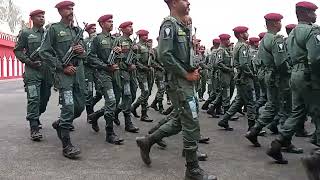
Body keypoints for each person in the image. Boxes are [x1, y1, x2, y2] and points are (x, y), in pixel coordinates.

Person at [136, 0, 217, 179]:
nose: (189, 2)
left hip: (186, 81)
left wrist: (192, 70)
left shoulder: (181, 26)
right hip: (179, 82)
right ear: (173, 2)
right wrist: (186, 74)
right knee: (191, 121)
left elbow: (183, 55)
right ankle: (192, 170)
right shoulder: (168, 25)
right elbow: (165, 55)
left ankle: (148, 141)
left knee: (182, 120)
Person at [267, 1, 318, 165]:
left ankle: (278, 143)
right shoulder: (312, 30)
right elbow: (315, 58)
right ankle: (316, 157)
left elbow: (287, 58)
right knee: (318, 111)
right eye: (313, 12)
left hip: (295, 75)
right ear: (304, 13)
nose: (315, 15)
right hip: (309, 76)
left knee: (297, 112)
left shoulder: (292, 34)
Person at [39, 0, 85, 159]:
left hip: (77, 73)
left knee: (79, 107)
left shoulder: (78, 31)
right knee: (69, 106)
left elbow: (85, 54)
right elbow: (44, 52)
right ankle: (66, 145)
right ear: (60, 12)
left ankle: (60, 124)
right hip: (63, 74)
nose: (71, 11)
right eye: (68, 8)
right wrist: (61, 67)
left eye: (72, 8)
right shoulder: (54, 29)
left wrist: (81, 50)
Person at [14, 9, 52, 141]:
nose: (42, 18)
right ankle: (34, 126)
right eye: (39, 17)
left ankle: (36, 115)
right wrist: (29, 61)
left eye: (43, 16)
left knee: (45, 98)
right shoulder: (26, 33)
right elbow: (17, 50)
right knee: (34, 98)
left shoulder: (49, 34)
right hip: (32, 71)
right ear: (32, 19)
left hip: (47, 71)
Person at [218, 26, 257, 131]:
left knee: (239, 101)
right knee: (250, 102)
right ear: (241, 35)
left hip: (239, 77)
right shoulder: (243, 46)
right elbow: (244, 64)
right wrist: (251, 74)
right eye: (246, 32)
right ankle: (252, 127)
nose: (247, 34)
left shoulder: (237, 46)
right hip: (245, 78)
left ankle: (224, 120)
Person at [131, 29, 154, 122]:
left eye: (147, 35)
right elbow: (136, 61)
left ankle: (137, 109)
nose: (147, 37)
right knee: (145, 91)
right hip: (141, 73)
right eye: (145, 36)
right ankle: (141, 112)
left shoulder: (147, 47)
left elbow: (151, 60)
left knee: (147, 92)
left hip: (148, 72)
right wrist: (144, 67)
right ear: (141, 36)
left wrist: (152, 54)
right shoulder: (138, 47)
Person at [83, 23, 97, 123]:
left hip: (99, 70)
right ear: (88, 31)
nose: (94, 30)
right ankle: (90, 114)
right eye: (92, 29)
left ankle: (92, 106)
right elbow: (83, 56)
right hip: (88, 71)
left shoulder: (99, 40)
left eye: (95, 29)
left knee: (100, 92)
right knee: (89, 93)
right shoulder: (84, 41)